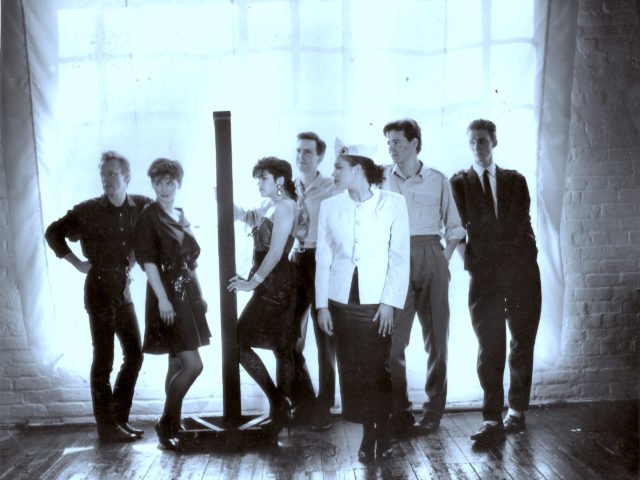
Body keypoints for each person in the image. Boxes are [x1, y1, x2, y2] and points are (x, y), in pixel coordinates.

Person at [45, 151, 150, 443]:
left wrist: (131, 260)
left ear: (126, 177)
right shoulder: (88, 210)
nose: (106, 179)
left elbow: (151, 229)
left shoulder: (140, 205)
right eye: (103, 174)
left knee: (135, 354)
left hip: (123, 290)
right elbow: (53, 232)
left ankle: (119, 419)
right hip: (99, 289)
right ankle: (107, 427)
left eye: (112, 173)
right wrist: (78, 263)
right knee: (104, 360)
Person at [450, 119, 541, 443]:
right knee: (490, 347)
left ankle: (516, 411)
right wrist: (473, 264)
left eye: (483, 141)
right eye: (473, 141)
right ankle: (491, 419)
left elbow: (524, 223)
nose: (478, 146)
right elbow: (456, 230)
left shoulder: (515, 180)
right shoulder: (458, 184)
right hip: (484, 277)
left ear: (494, 142)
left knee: (522, 341)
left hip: (521, 273)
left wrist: (527, 258)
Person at [316, 148, 410, 461]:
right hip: (341, 302)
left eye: (339, 167)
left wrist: (389, 303)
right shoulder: (330, 206)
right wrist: (322, 306)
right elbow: (323, 259)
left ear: (358, 170)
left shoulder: (393, 204)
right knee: (353, 371)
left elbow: (399, 257)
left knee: (378, 369)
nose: (333, 173)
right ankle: (370, 431)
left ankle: (381, 431)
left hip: (377, 302)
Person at [381, 119, 466, 434]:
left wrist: (441, 260)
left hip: (431, 254)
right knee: (392, 344)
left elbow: (455, 227)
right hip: (396, 260)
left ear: (415, 143)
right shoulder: (381, 178)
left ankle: (433, 412)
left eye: (397, 142)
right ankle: (399, 412)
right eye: (389, 142)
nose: (391, 148)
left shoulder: (437, 179)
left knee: (437, 342)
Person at [134, 158, 211, 449]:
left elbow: (191, 261)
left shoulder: (179, 214)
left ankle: (173, 423)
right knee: (193, 365)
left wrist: (199, 294)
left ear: (178, 184)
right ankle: (166, 422)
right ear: (153, 184)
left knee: (177, 361)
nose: (165, 188)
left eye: (170, 182)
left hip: (186, 293)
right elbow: (148, 262)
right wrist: (163, 299)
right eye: (159, 183)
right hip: (166, 293)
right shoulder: (148, 215)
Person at [228, 157, 299, 438]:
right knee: (281, 348)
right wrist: (223, 200)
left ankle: (279, 405)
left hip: (276, 284)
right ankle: (281, 409)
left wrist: (251, 284)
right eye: (257, 178)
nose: (259, 182)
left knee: (240, 342)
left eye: (263, 178)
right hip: (271, 283)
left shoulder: (286, 206)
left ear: (279, 180)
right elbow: (247, 217)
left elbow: (276, 252)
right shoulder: (271, 204)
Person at [289, 132, 338, 430]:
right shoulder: (288, 187)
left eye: (308, 151)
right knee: (290, 335)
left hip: (322, 262)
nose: (302, 156)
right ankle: (302, 400)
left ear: (320, 156)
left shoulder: (332, 187)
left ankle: (325, 405)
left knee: (324, 338)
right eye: (298, 151)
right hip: (297, 260)